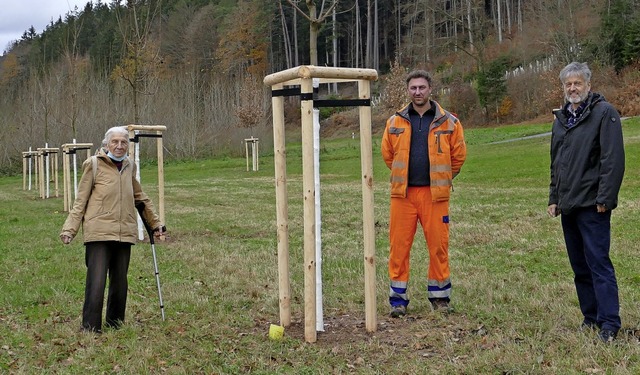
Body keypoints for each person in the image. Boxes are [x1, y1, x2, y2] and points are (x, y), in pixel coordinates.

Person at [60, 126, 166, 333]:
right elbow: (80, 201)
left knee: (120, 282)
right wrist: (69, 229)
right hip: (98, 231)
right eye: (115, 142)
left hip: (124, 231)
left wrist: (156, 223)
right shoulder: (94, 165)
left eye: (123, 142)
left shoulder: (129, 166)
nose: (119, 146)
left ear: (128, 145)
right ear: (106, 144)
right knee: (97, 281)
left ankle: (115, 323)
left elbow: (140, 198)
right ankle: (90, 327)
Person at [547, 62, 625, 343]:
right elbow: (556, 163)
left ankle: (609, 323)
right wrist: (554, 197)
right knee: (579, 266)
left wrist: (605, 198)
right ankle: (590, 317)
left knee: (598, 264)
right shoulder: (562, 119)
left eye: (577, 83)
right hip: (569, 206)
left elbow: (612, 161)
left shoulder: (604, 114)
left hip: (593, 205)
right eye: (568, 84)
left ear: (588, 85)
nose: (572, 88)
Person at [381, 69, 467, 318]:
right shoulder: (394, 122)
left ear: (430, 89)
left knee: (438, 247)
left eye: (422, 87)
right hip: (403, 196)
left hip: (435, 197)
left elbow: (458, 156)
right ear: (407, 91)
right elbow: (388, 155)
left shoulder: (450, 122)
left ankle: (440, 299)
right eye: (413, 88)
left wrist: (441, 178)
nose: (417, 92)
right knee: (398, 248)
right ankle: (398, 301)